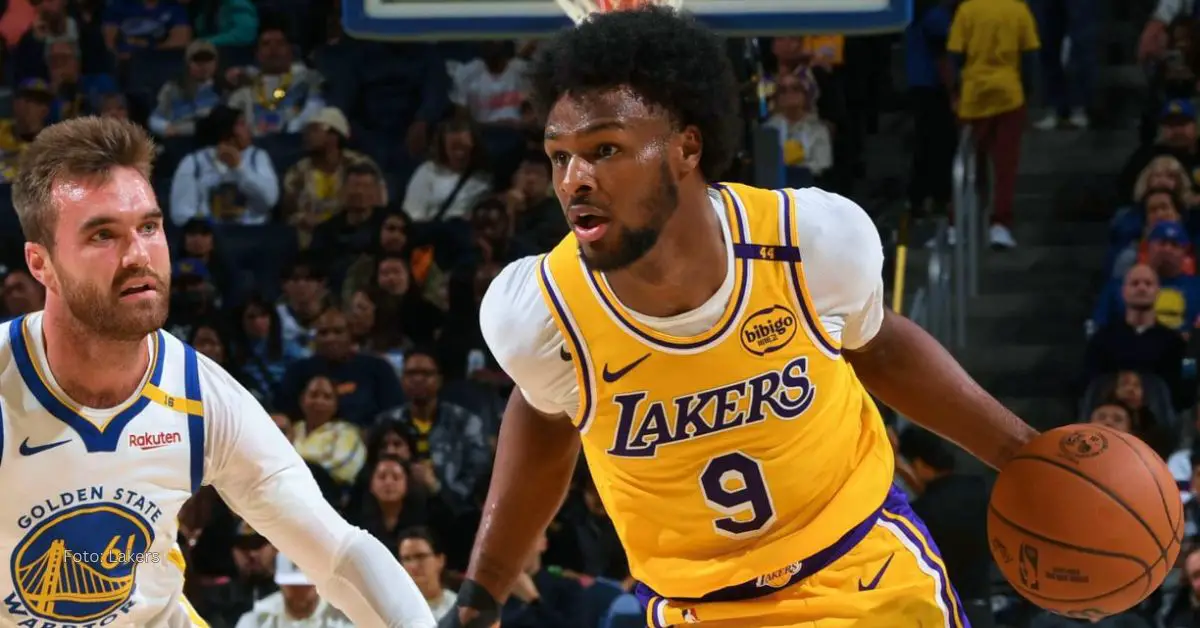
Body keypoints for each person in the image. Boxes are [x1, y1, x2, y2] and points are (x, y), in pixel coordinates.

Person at [445, 7, 1038, 628]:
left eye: (605, 150)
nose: (575, 180)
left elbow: (880, 346)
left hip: (863, 575)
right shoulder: (542, 313)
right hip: (700, 609)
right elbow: (544, 418)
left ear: (687, 147)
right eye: (560, 157)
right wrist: (482, 594)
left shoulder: (807, 242)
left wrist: (1023, 452)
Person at [2, 116, 436, 627]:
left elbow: (337, 554)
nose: (138, 255)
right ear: (41, 263)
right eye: (103, 235)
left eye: (148, 227)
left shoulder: (199, 395)